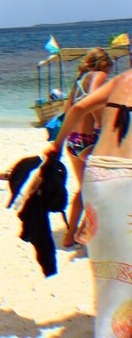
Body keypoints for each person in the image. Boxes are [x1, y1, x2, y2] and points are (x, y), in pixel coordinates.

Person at [28, 67, 132, 337]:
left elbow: (77, 108)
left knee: (110, 277)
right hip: (127, 179)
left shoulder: (121, 79)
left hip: (97, 176)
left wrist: (58, 144)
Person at [59, 48, 113, 247]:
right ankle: (84, 231)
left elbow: (67, 113)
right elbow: (94, 99)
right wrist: (101, 123)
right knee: (106, 186)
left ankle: (69, 235)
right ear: (104, 64)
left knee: (84, 189)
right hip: (87, 141)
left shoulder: (77, 83)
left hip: (73, 142)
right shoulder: (98, 76)